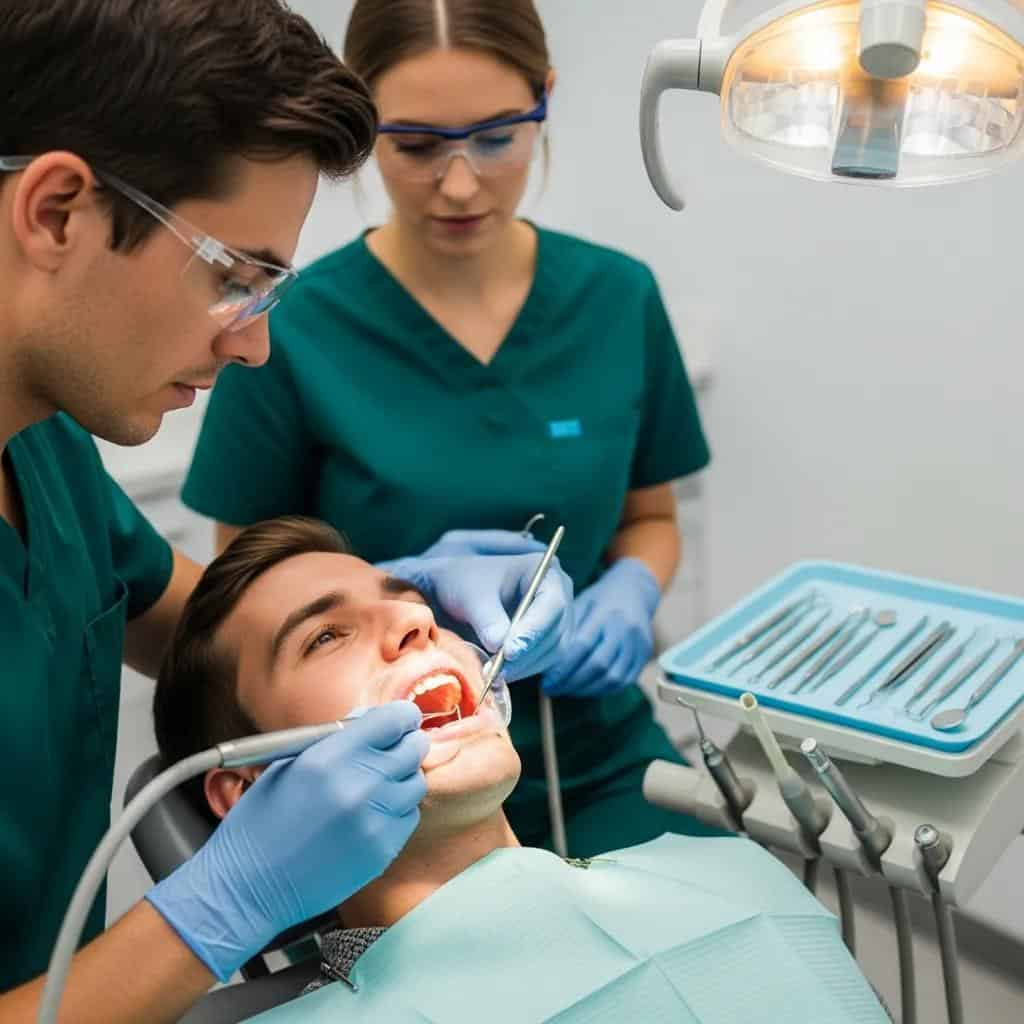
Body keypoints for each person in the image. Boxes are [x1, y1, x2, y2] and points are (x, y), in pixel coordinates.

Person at [0, 3, 572, 1020]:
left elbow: (194, 627)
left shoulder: (43, 450)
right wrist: (222, 902)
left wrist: (386, 597)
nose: (253, 345)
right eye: (234, 277)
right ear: (55, 214)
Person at [182, 0, 715, 857]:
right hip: (396, 776)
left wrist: (631, 595)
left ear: (546, 100)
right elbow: (245, 588)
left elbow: (649, 519)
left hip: (599, 751)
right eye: (417, 145)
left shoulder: (617, 298)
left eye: (498, 137)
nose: (460, 183)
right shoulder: (294, 327)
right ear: (362, 125)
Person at [152, 516, 891, 1023]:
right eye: (325, 638)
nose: (417, 624)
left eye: (411, 604)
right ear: (249, 787)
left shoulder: (735, 876)